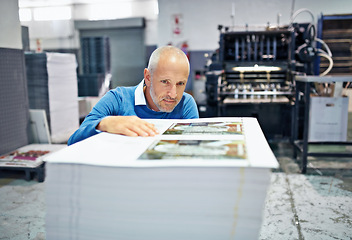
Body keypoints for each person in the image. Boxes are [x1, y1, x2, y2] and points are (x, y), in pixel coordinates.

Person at [68, 46, 199, 145]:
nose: (173, 94)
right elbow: (73, 141)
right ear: (148, 77)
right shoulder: (117, 99)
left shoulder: (186, 104)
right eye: (165, 82)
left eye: (180, 83)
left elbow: (193, 148)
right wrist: (105, 124)